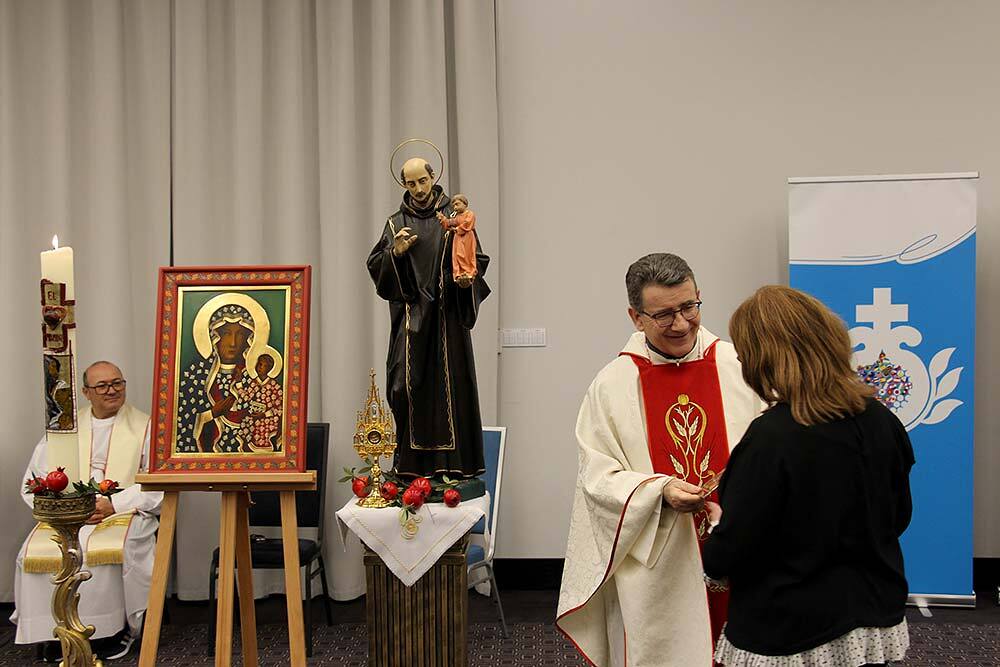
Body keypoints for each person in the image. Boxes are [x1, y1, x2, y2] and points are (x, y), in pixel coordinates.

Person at [557, 253, 764, 666]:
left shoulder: (739, 366)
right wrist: (659, 490)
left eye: (689, 307)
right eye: (664, 315)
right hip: (662, 563)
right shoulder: (612, 385)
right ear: (636, 317)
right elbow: (597, 478)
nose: (682, 324)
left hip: (744, 550)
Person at [702, 286, 913, 666]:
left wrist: (718, 529)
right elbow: (897, 516)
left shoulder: (770, 438)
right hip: (873, 612)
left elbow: (736, 545)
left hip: (792, 627)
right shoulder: (882, 420)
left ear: (764, 358)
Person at [12, 361, 163, 662]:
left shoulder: (146, 427)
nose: (112, 390)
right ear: (85, 392)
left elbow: (158, 484)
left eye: (117, 383)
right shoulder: (65, 429)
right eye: (102, 386)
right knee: (34, 552)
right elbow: (34, 482)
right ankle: (54, 633)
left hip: (123, 512)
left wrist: (113, 504)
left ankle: (112, 632)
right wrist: (67, 507)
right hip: (71, 515)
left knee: (109, 551)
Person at [367, 157, 491, 479]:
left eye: (423, 180)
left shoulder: (454, 216)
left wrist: (466, 280)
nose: (419, 189)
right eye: (411, 183)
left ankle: (454, 468)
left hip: (447, 320)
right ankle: (411, 468)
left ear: (433, 176)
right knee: (403, 388)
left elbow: (474, 256)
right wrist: (395, 253)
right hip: (411, 320)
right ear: (403, 184)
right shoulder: (396, 223)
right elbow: (376, 266)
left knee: (452, 389)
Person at [176, 303, 256, 453]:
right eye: (226, 334)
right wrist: (211, 414)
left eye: (239, 334)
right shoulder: (195, 374)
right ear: (215, 336)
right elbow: (182, 422)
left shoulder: (252, 377)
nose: (233, 343)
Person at [234, 350, 283, 452]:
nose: (259, 367)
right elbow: (246, 398)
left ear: (269, 368)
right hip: (253, 419)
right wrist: (239, 382)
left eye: (262, 365)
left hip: (267, 421)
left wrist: (264, 414)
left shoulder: (274, 386)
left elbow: (280, 409)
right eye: (258, 364)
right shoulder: (254, 383)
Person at [436, 193, 478, 283]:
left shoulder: (470, 214)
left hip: (467, 237)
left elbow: (468, 224)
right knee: (458, 255)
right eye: (454, 205)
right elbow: (451, 222)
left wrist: (457, 229)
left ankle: (469, 272)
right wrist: (443, 219)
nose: (455, 207)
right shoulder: (457, 216)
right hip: (458, 238)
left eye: (457, 204)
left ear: (464, 204)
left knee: (468, 255)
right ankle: (458, 273)